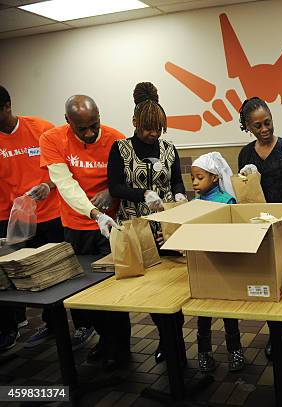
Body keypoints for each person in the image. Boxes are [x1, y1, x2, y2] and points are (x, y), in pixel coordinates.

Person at [39, 95, 130, 369]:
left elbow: (125, 178)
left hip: (110, 228)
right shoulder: (53, 140)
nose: (90, 133)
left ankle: (121, 346)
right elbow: (65, 185)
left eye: (95, 125)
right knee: (85, 292)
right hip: (76, 225)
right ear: (68, 122)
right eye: (83, 129)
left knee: (112, 290)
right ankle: (103, 340)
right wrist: (93, 212)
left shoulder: (116, 138)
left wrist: (110, 191)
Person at [107, 82, 187, 364]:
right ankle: (163, 339)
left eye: (158, 129)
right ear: (135, 123)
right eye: (147, 129)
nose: (153, 134)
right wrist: (144, 193)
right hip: (135, 229)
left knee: (172, 287)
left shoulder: (168, 148)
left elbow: (177, 179)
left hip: (165, 229)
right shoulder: (121, 149)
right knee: (149, 291)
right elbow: (115, 187)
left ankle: (172, 341)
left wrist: (178, 194)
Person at [237, 96, 282, 366]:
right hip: (261, 228)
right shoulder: (245, 154)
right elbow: (243, 194)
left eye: (268, 123)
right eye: (257, 126)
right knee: (268, 282)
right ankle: (276, 337)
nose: (264, 129)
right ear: (247, 127)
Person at [0, 85, 64, 351]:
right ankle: (11, 325)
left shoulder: (40, 129)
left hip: (49, 214)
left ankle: (55, 322)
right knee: (8, 275)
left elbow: (62, 167)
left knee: (51, 272)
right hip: (7, 216)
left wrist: (48, 185)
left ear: (7, 106)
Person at [190, 152, 245, 372]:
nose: (194, 182)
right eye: (193, 177)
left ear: (214, 177)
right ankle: (204, 353)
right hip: (202, 266)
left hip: (224, 265)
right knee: (202, 315)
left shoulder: (227, 201)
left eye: (199, 177)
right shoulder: (195, 202)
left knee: (228, 313)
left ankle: (235, 350)